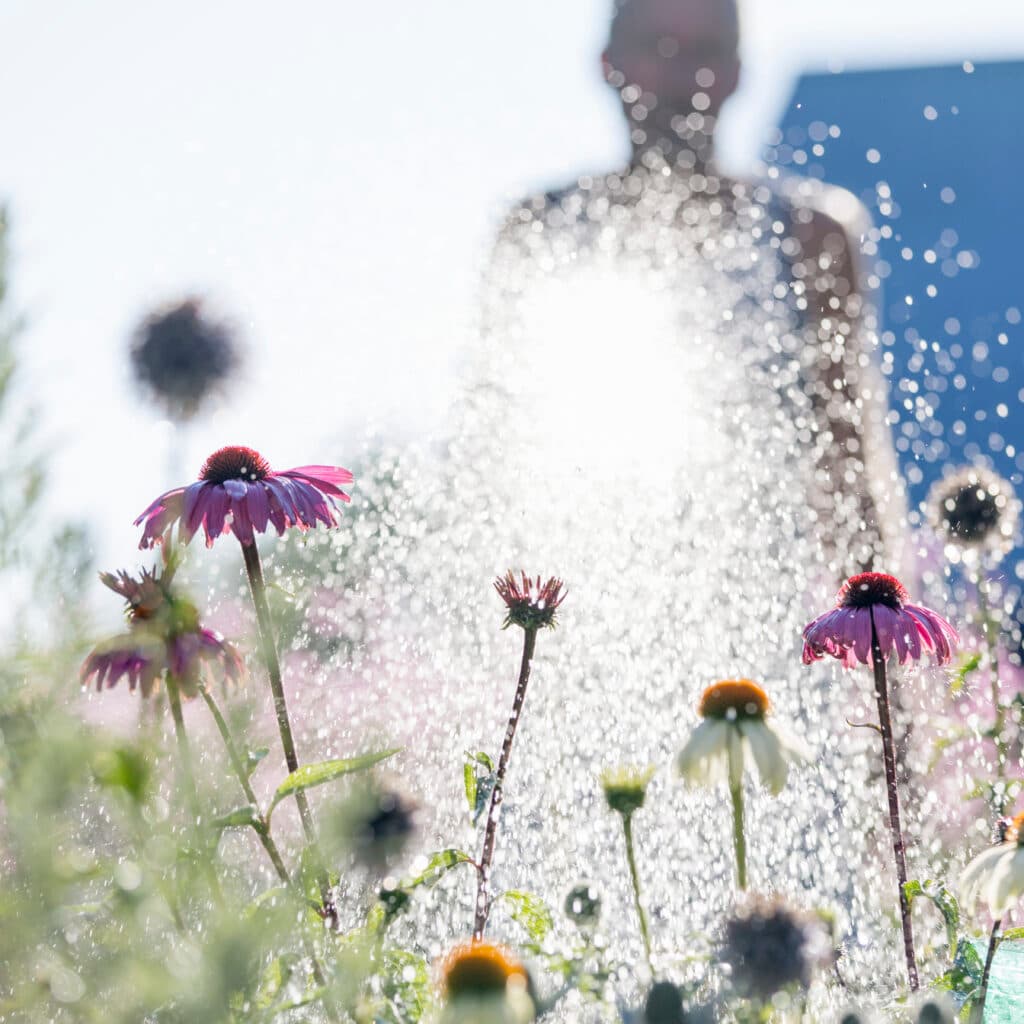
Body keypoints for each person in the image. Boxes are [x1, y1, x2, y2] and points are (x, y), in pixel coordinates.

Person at [481, 0, 902, 577]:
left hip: (769, 621)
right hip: (579, 600)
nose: (680, 79)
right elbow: (495, 462)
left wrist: (876, 633)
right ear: (609, 64)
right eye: (656, 48)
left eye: (704, 53)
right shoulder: (539, 232)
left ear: (737, 73)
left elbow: (847, 461)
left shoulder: (809, 238)